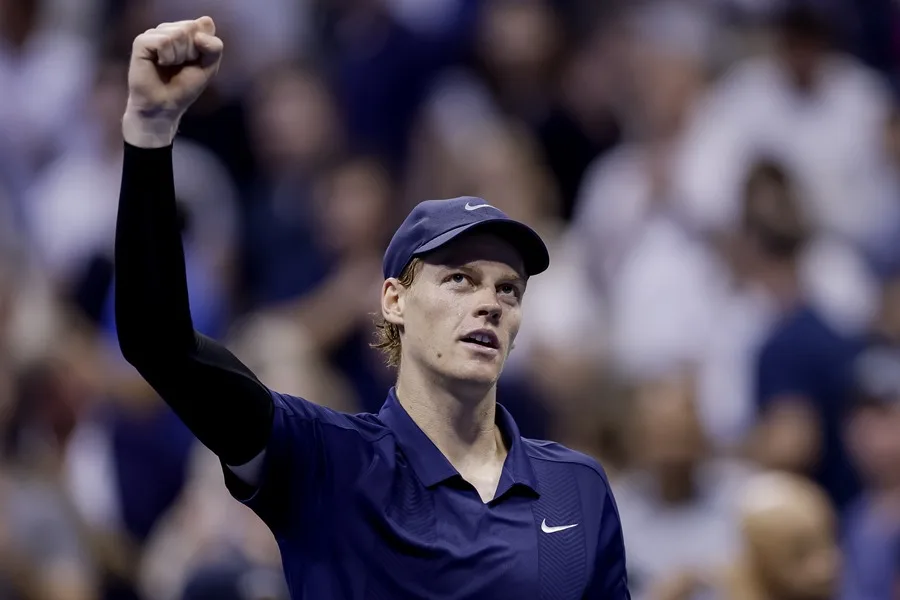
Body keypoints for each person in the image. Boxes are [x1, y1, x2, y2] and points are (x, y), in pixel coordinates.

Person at [114, 16, 629, 600]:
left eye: (508, 289)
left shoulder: (574, 487)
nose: (490, 303)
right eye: (461, 280)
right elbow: (158, 343)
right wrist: (151, 133)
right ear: (395, 301)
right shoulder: (325, 459)